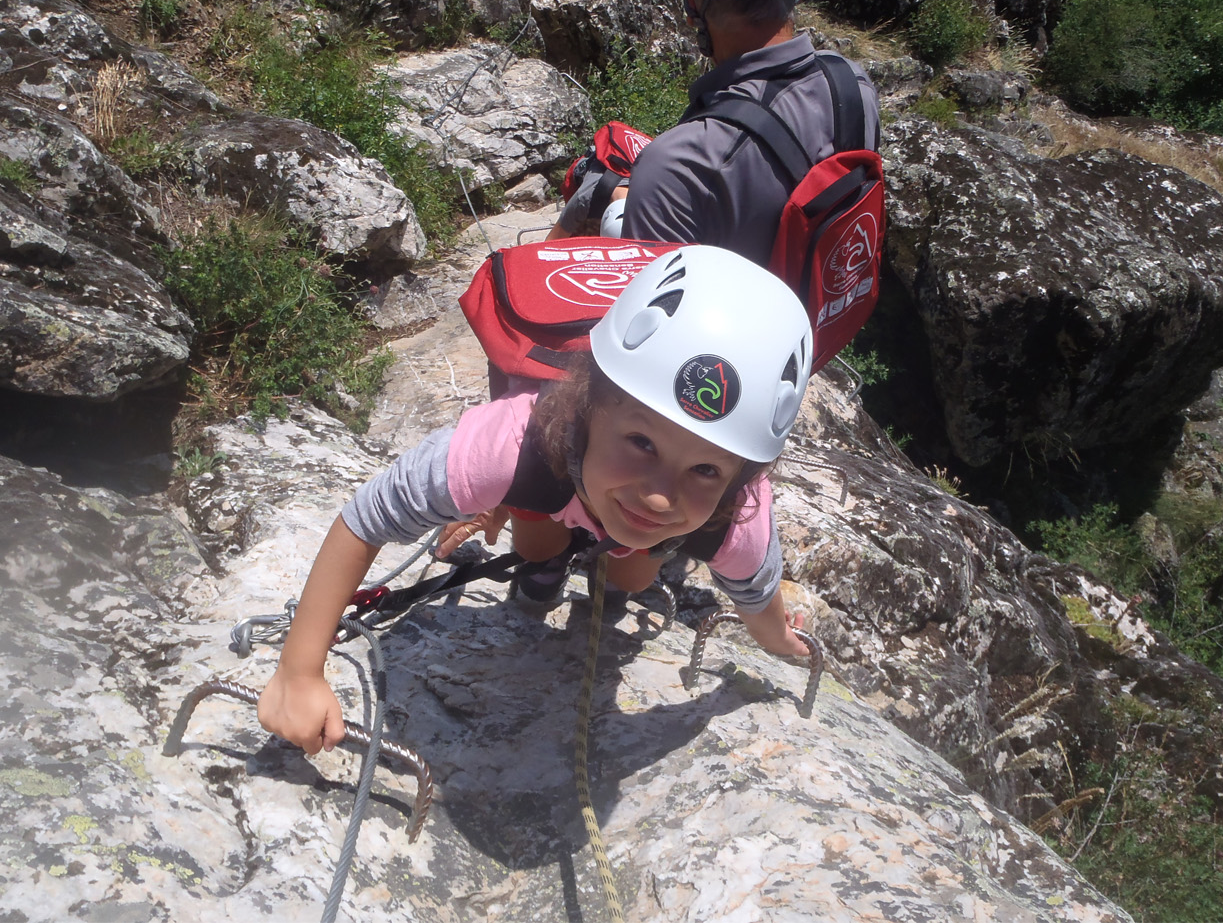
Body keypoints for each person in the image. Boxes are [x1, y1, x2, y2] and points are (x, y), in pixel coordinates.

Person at [258, 246, 814, 755]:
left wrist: (777, 638)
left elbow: (755, 591)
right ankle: (542, 573)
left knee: (631, 580)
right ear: (590, 405)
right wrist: (299, 670)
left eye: (705, 470)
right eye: (641, 442)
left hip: (600, 501)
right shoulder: (511, 446)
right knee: (537, 543)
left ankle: (595, 569)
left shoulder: (733, 519)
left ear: (742, 478)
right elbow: (368, 518)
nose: (660, 494)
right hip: (554, 479)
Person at [552, 0, 880, 260]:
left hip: (740, 314)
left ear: (692, 3)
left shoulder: (681, 163)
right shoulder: (853, 85)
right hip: (822, 309)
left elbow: (657, 313)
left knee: (601, 195)